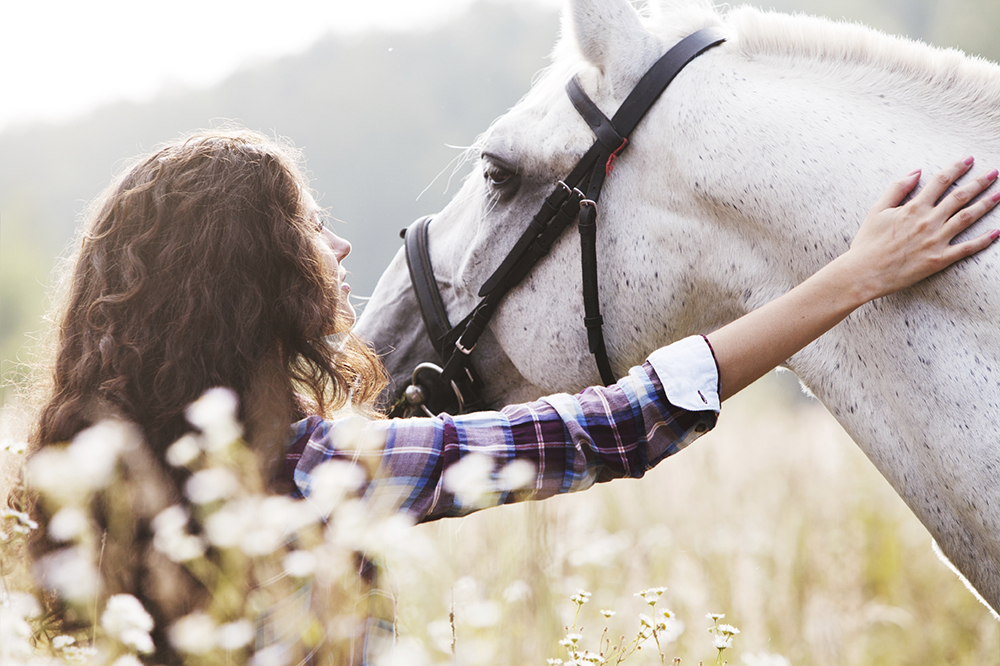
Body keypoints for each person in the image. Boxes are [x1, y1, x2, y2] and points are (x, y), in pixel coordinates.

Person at [24, 129, 1000, 664]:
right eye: (309, 229)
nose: (340, 250)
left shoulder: (54, 497)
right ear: (250, 275)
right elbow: (613, 427)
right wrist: (855, 275)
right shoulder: (323, 475)